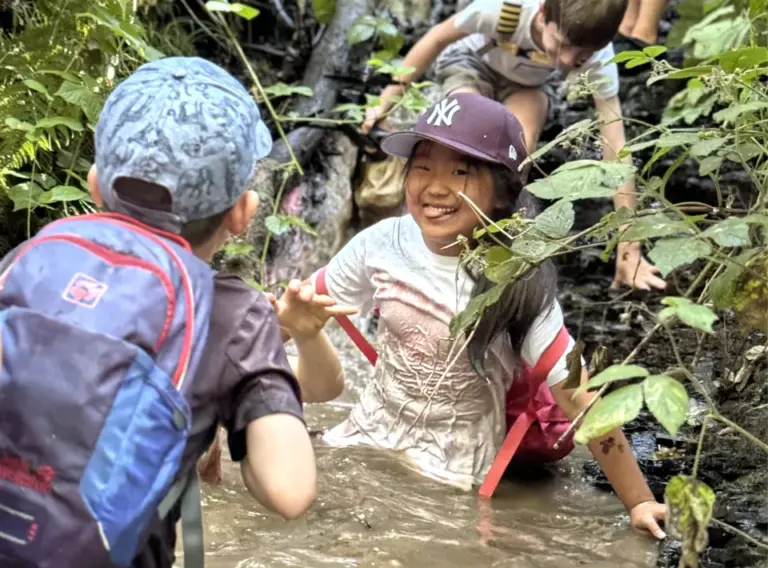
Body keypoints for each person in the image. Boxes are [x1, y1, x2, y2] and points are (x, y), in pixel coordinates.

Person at [0, 57, 345, 567]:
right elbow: (290, 491)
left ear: (95, 185)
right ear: (242, 213)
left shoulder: (33, 260)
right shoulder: (233, 314)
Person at [318, 93, 667, 539]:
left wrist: (639, 501)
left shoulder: (518, 281)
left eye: (460, 172)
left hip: (449, 474)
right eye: (422, 167)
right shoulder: (383, 242)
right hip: (365, 433)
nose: (435, 187)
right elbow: (302, 308)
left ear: (503, 193)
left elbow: (581, 398)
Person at [361, 0, 666, 292]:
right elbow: (437, 37)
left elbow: (616, 148)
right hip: (471, 64)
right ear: (543, 14)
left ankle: (488, 244)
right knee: (467, 135)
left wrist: (629, 251)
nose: (566, 60)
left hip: (528, 85)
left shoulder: (598, 57)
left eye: (581, 55)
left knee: (518, 150)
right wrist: (385, 100)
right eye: (561, 43)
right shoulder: (506, 9)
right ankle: (431, 238)